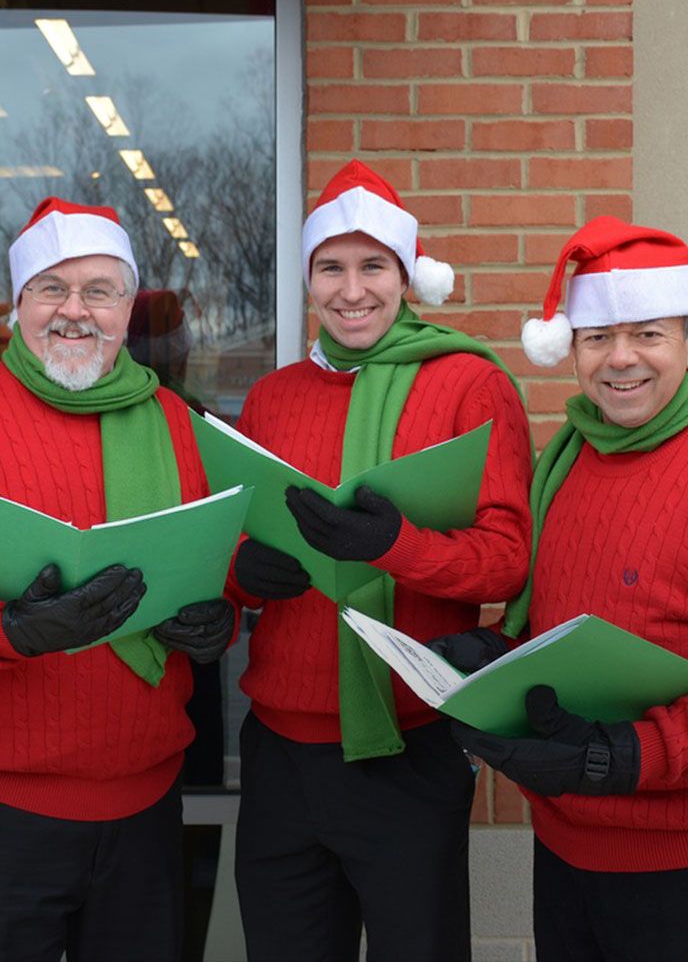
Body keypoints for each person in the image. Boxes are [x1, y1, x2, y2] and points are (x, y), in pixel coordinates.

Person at [0, 197, 235, 961]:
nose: (75, 312)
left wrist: (218, 618)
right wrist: (2, 631)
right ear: (19, 306)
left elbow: (214, 560)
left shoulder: (175, 422)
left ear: (127, 306)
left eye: (99, 291)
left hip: (144, 803)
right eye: (51, 289)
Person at [226, 160, 532, 962]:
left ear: (406, 277)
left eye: (373, 267)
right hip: (279, 751)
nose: (351, 290)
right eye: (331, 267)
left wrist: (391, 548)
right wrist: (242, 571)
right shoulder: (273, 397)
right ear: (308, 281)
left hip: (406, 744)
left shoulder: (467, 384)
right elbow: (233, 538)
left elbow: (506, 563)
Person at [441, 219, 688, 961]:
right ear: (570, 349)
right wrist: (494, 655)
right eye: (594, 337)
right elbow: (557, 616)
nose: (619, 360)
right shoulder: (570, 453)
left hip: (671, 864)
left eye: (648, 334)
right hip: (565, 846)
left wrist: (620, 757)